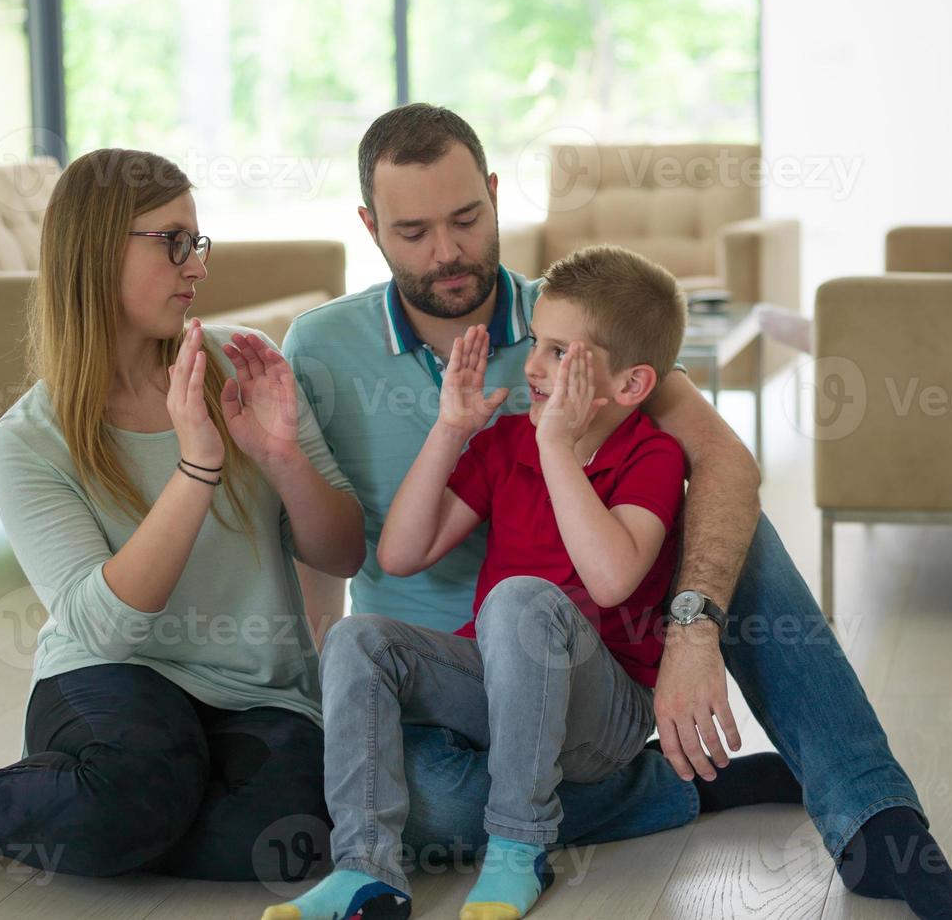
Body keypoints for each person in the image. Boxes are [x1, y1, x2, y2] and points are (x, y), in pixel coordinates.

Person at [279, 104, 952, 919]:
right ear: (370, 225)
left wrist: (692, 631)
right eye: (412, 232)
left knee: (728, 526)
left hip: (592, 660)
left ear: (492, 193)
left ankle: (875, 816)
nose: (446, 252)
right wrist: (311, 686)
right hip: (449, 690)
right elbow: (324, 545)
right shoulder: (317, 348)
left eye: (466, 219)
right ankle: (666, 787)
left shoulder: (570, 320)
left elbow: (724, 460)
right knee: (438, 810)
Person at [0, 149, 367, 880]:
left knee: (291, 840)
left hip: (258, 692)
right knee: (141, 779)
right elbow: (107, 627)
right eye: (172, 242)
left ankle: (43, 797)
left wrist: (282, 459)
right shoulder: (28, 441)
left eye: (197, 242)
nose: (196, 266)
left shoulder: (246, 366)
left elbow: (342, 554)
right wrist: (196, 467)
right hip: (111, 679)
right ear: (96, 250)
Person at [267, 248, 690, 920]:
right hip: (500, 692)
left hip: (603, 710)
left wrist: (556, 448)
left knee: (519, 598)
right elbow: (402, 553)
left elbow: (610, 580)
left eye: (559, 353)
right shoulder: (505, 443)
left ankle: (518, 848)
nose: (531, 366)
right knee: (355, 639)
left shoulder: (652, 454)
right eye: (534, 344)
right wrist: (451, 428)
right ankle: (365, 868)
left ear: (631, 384)